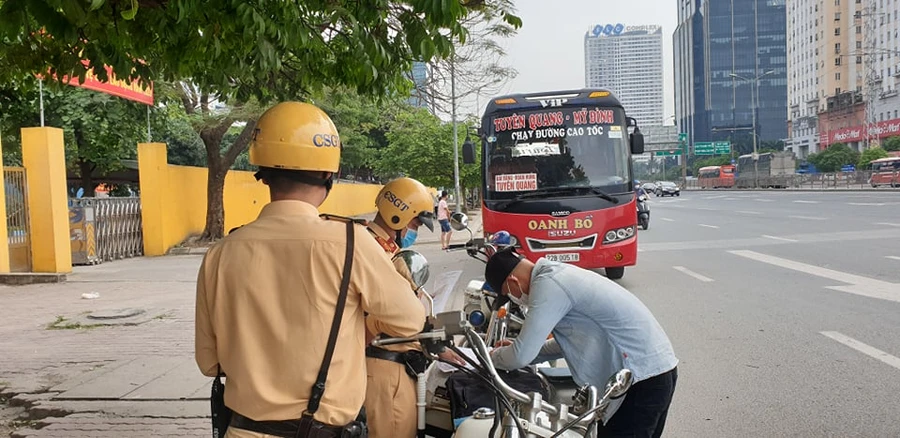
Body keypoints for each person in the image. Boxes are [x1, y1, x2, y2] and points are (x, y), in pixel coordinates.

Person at [195, 101, 426, 438]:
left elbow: (209, 363)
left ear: (263, 171)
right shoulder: (350, 242)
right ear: (326, 173)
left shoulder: (219, 253)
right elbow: (410, 320)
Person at [483, 248, 678, 438]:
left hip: (638, 380)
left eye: (507, 294)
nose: (514, 300)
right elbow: (562, 344)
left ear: (512, 281)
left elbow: (520, 356)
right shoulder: (558, 273)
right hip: (657, 370)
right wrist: (520, 348)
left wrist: (490, 356)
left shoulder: (548, 285)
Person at [363, 177, 464, 438]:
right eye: (416, 222)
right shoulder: (370, 251)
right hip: (385, 368)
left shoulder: (385, 249)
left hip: (401, 364)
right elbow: (377, 316)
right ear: (398, 215)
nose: (416, 230)